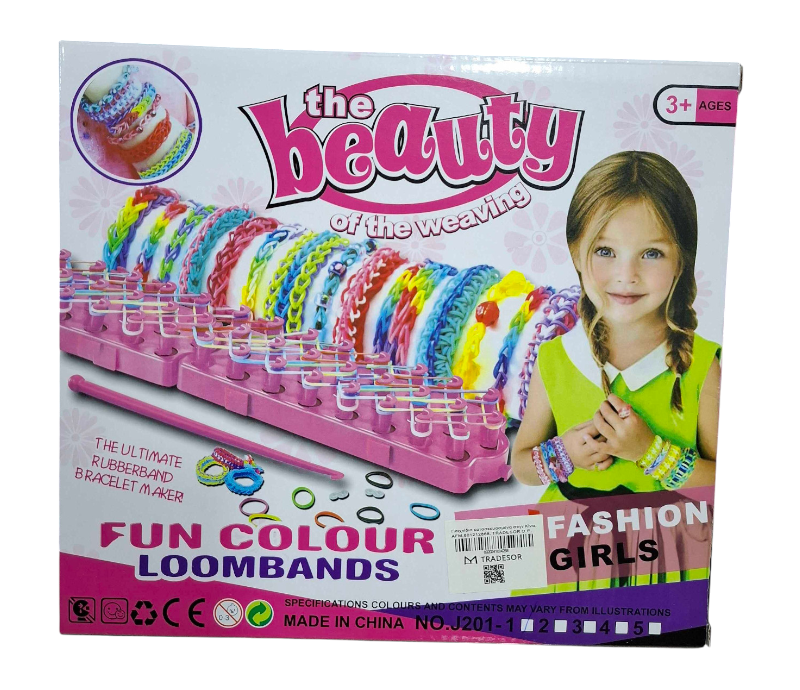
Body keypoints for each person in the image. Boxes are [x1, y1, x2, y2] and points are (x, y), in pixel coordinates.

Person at [511, 151, 720, 502]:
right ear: (576, 252)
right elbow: (521, 465)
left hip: (669, 537)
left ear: (681, 261)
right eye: (605, 251)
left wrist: (651, 452)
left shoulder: (700, 366)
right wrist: (564, 453)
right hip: (566, 535)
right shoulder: (556, 358)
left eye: (651, 253)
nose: (627, 275)